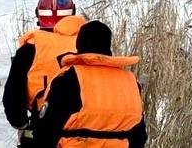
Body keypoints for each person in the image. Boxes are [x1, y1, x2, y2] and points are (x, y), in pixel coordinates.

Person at [35, 20, 147, 148]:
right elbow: (139, 136)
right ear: (108, 45)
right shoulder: (129, 81)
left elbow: (46, 128)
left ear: (78, 44)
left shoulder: (69, 77)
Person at [3, 0, 85, 147]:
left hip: (41, 127)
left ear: (38, 15)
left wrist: (21, 123)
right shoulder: (88, 43)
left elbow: (13, 93)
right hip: (87, 128)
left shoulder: (30, 49)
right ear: (72, 12)